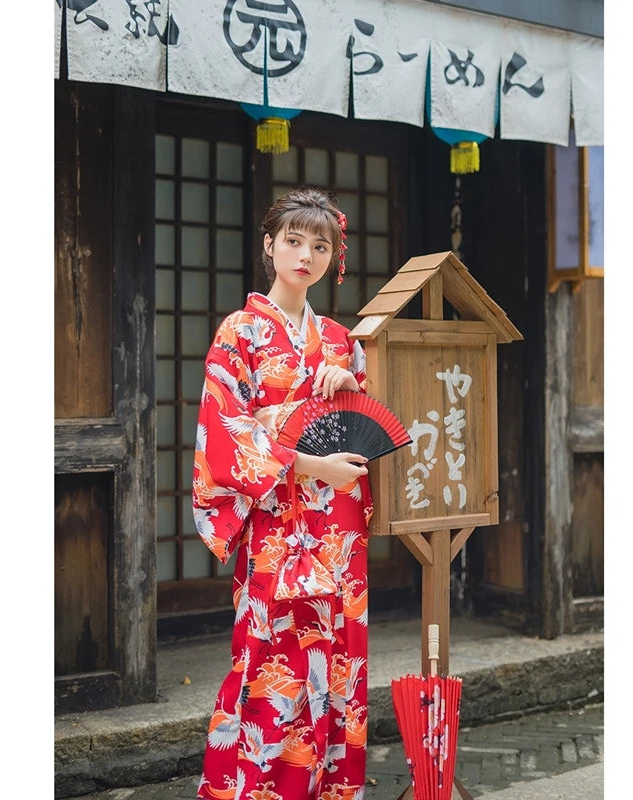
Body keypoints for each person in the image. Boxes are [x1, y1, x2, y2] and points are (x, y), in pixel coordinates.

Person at [192, 187, 373, 800]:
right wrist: (309, 466)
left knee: (338, 659)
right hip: (275, 528)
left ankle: (328, 789)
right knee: (273, 659)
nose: (305, 254)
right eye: (293, 240)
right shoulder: (238, 332)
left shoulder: (341, 340)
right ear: (269, 245)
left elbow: (366, 427)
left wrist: (350, 380)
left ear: (333, 256)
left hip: (336, 533)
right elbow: (226, 435)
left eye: (319, 244)